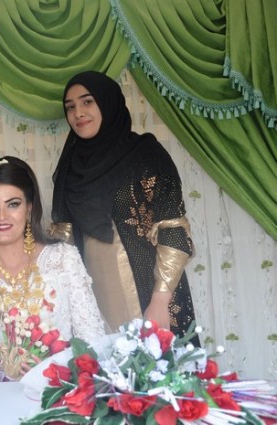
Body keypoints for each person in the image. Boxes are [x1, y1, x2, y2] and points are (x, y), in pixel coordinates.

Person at [51, 70, 197, 338]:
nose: (78, 113)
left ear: (108, 102)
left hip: (151, 292)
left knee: (155, 359)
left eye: (87, 102)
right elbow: (65, 241)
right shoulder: (71, 167)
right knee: (102, 362)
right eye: (70, 107)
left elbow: (173, 230)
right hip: (93, 297)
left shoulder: (145, 154)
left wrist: (160, 301)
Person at [0, 156, 105, 384]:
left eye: (13, 204)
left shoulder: (64, 259)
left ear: (29, 208)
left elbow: (92, 338)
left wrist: (61, 378)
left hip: (61, 387)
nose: (1, 216)